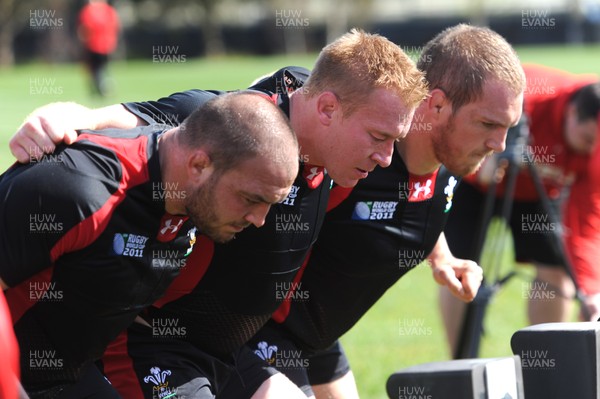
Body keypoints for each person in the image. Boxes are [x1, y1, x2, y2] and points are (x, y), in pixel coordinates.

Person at [9, 29, 429, 398]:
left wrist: (439, 252)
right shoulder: (231, 129)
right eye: (378, 136)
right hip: (159, 344)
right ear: (326, 109)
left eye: (395, 139)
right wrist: (67, 115)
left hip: (231, 350)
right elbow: (139, 125)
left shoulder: (325, 125)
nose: (386, 156)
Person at [211, 23, 525, 398]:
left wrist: (441, 257)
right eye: (488, 123)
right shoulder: (353, 159)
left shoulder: (445, 167)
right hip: (261, 333)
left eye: (509, 127)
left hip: (319, 340)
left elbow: (413, 203)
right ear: (437, 105)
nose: (499, 143)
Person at [0, 92, 299, 398]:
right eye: (251, 199)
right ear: (199, 165)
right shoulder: (79, 190)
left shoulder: (192, 177)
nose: (260, 219)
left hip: (64, 377)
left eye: (270, 204)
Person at [442, 64, 600, 354]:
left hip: (537, 195)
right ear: (572, 114)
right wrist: (478, 168)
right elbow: (454, 126)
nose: (590, 150)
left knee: (556, 270)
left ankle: (547, 365)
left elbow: (587, 219)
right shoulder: (526, 98)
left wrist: (591, 289)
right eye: (588, 140)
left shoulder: (593, 147)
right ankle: (461, 364)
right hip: (475, 184)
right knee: (458, 269)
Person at [77, 0, 120, 96]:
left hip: (94, 45)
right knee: (102, 67)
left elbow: (85, 28)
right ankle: (103, 86)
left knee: (96, 68)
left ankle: (101, 86)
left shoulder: (89, 11)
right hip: (106, 45)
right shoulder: (109, 10)